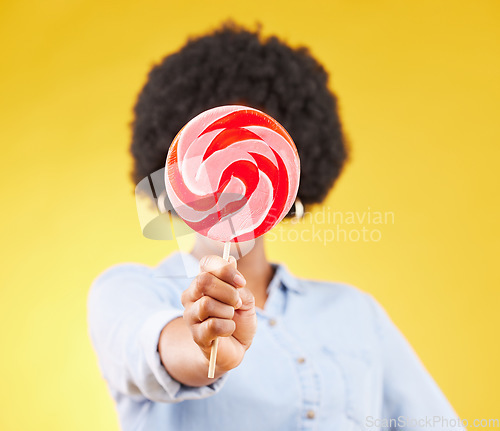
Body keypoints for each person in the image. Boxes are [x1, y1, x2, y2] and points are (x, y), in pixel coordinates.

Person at [88, 23, 464, 431]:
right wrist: (204, 349)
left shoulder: (356, 312)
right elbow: (159, 349)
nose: (231, 175)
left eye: (248, 146)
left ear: (287, 166)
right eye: (215, 151)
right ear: (175, 168)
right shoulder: (128, 291)